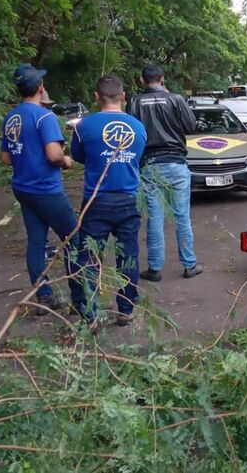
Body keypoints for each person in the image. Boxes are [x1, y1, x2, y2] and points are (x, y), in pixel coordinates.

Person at [0, 63, 84, 316]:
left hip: (23, 188)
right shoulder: (44, 117)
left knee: (36, 242)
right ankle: (80, 298)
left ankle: (43, 296)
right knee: (74, 239)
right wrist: (66, 160)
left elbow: (5, 158)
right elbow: (54, 154)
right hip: (46, 189)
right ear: (40, 88)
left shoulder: (12, 117)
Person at [71, 75, 146, 326]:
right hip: (128, 199)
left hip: (96, 200)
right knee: (129, 255)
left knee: (90, 257)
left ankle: (89, 314)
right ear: (123, 96)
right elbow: (138, 158)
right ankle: (125, 309)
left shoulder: (84, 126)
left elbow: (79, 156)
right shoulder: (138, 127)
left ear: (96, 97)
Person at [127, 64, 203, 281]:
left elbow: (131, 134)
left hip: (149, 165)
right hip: (176, 163)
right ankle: (190, 265)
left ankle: (154, 269)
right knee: (182, 217)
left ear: (142, 80)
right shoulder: (176, 99)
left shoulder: (134, 101)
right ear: (162, 79)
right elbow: (191, 126)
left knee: (155, 217)